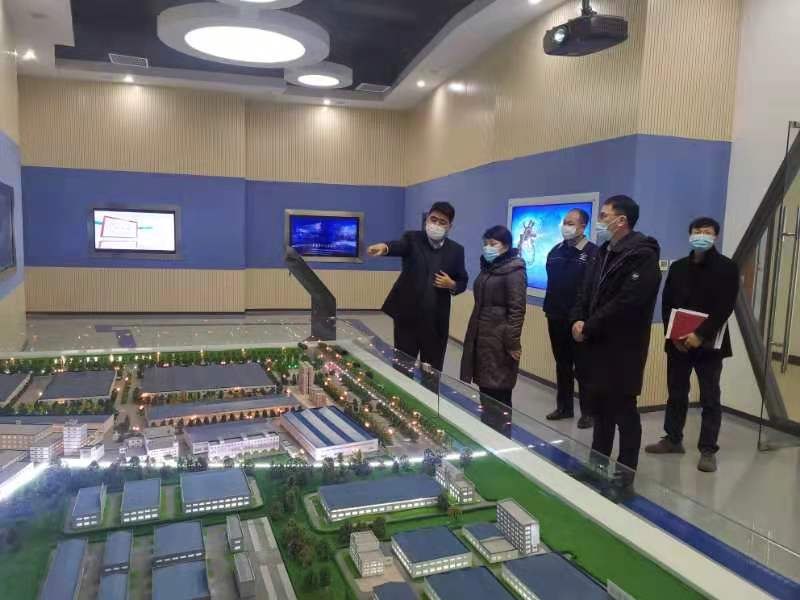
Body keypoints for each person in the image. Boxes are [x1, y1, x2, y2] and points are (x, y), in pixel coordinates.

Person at [571, 195, 661, 477]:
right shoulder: (602, 252)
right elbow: (585, 290)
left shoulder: (642, 256)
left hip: (623, 348)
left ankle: (624, 475)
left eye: (604, 215)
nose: (600, 221)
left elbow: (627, 303)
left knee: (624, 411)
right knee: (600, 411)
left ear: (621, 220)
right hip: (596, 345)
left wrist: (589, 326)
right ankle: (596, 467)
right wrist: (577, 319)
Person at [645, 217, 739, 473]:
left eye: (707, 232)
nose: (701, 235)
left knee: (710, 396)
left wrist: (700, 334)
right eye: (697, 231)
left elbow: (725, 306)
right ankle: (673, 439)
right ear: (690, 235)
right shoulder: (678, 267)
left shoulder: (727, 267)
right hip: (678, 344)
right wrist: (673, 335)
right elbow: (667, 303)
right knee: (676, 392)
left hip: (710, 344)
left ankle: (708, 449)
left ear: (715, 236)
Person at [367, 201, 468, 373]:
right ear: (427, 219)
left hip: (436, 322)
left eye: (442, 222)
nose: (436, 225)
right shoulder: (413, 238)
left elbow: (462, 281)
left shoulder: (456, 250)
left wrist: (452, 284)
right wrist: (385, 247)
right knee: (403, 367)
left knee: (432, 372)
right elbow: (400, 246)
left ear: (449, 226)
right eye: (433, 219)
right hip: (408, 318)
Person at [459, 226, 527, 436]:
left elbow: (517, 310)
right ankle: (488, 434)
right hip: (483, 339)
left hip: (500, 342)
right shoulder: (489, 268)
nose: (488, 247)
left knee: (499, 394)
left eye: (493, 243)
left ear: (506, 246)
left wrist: (512, 343)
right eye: (486, 243)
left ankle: (501, 438)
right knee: (486, 390)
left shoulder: (514, 271)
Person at [543, 208, 598, 428]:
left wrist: (584, 318)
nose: (566, 226)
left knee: (583, 366)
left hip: (580, 320)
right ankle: (564, 407)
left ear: (583, 226)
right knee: (562, 364)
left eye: (571, 223)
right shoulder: (555, 251)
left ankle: (588, 412)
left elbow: (592, 289)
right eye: (565, 222)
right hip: (555, 315)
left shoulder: (593, 253)